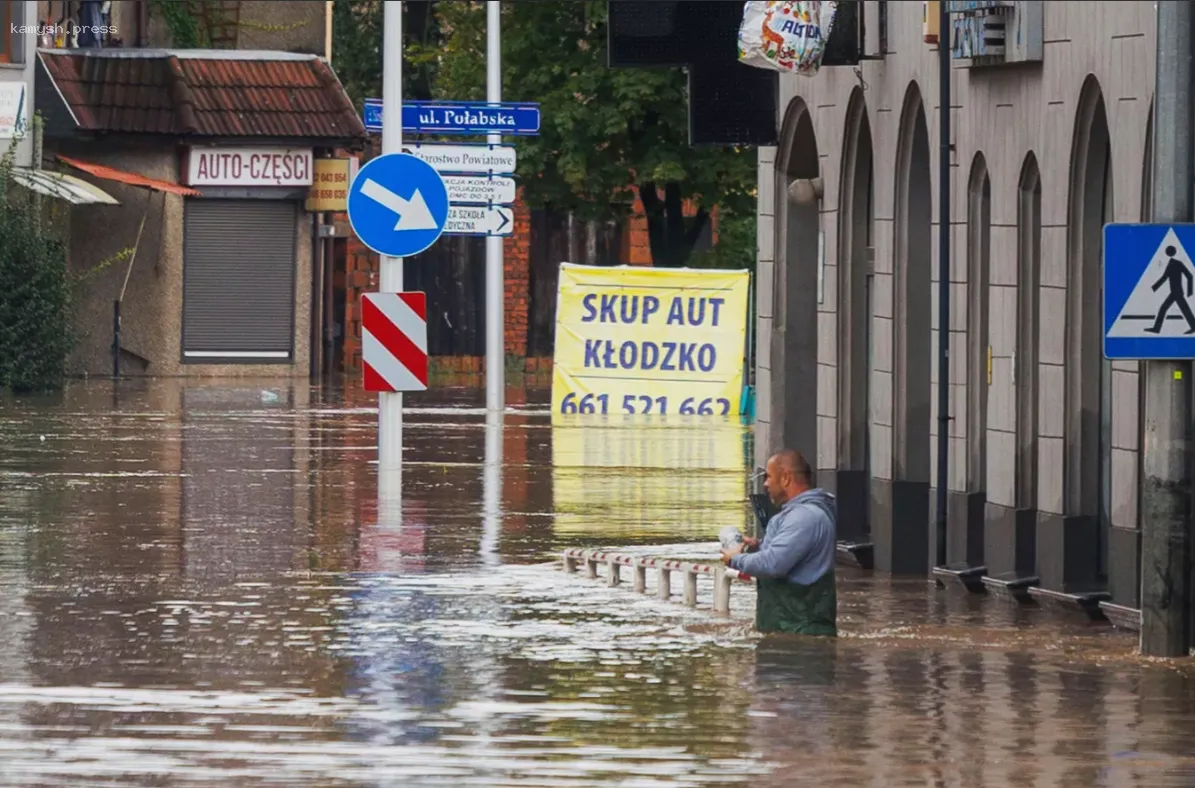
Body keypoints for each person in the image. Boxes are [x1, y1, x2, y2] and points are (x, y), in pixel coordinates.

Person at [720, 449, 837, 636]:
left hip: (800, 639)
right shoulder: (799, 515)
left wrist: (735, 559)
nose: (765, 484)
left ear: (786, 478)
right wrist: (758, 546)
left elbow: (773, 564)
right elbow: (788, 557)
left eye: (768, 477)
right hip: (789, 633)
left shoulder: (803, 517)